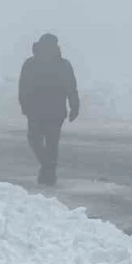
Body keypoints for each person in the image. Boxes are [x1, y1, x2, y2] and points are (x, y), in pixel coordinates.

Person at [18, 32, 79, 186]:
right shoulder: (31, 64)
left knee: (45, 143)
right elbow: (23, 86)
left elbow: (71, 86)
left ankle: (48, 173)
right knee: (42, 142)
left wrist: (74, 106)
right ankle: (48, 169)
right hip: (42, 111)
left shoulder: (62, 64)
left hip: (49, 111)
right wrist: (74, 106)